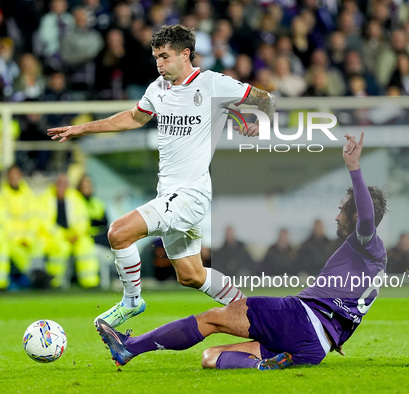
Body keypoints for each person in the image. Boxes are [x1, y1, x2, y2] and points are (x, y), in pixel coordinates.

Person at [96, 132, 389, 370]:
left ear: (355, 217)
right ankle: (266, 366)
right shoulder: (374, 259)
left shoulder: (366, 240)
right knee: (210, 357)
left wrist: (354, 168)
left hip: (298, 319)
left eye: (341, 211)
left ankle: (129, 348)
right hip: (315, 348)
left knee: (211, 318)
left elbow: (365, 218)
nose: (336, 217)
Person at [48, 24, 275, 328]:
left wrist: (258, 122)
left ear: (185, 54)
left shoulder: (212, 84)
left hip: (189, 195)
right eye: (156, 57)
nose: (160, 63)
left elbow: (265, 100)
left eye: (165, 56)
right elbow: (132, 117)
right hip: (168, 194)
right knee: (192, 276)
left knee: (118, 232)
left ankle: (131, 301)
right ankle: (254, 313)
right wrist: (82, 128)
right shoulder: (157, 88)